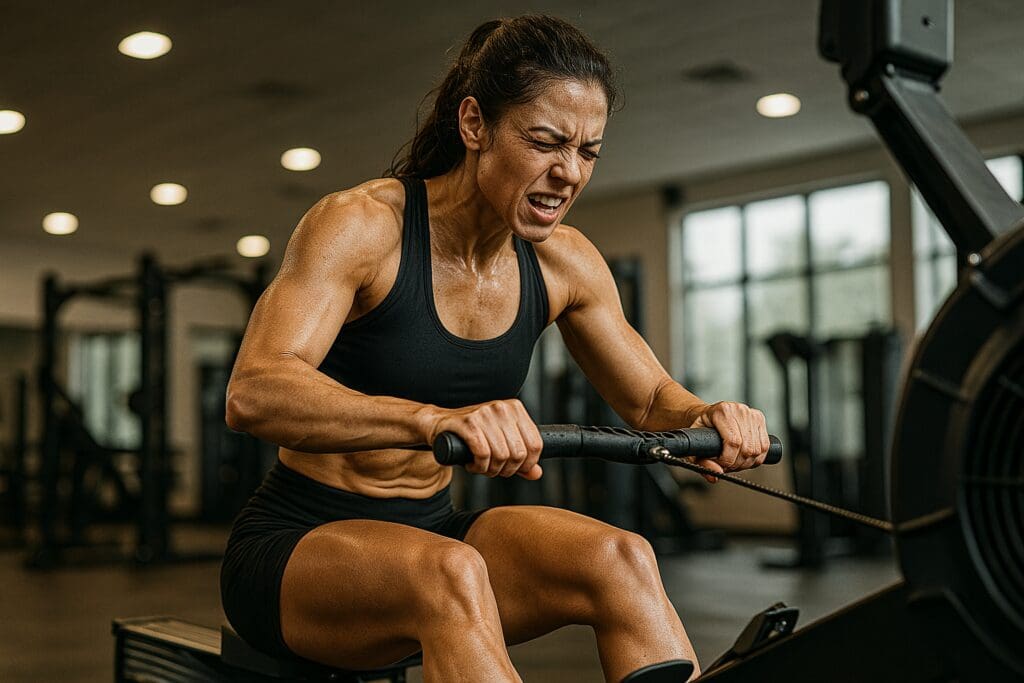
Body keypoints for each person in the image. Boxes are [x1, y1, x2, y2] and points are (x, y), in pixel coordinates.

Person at [221, 14, 770, 683]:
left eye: (588, 151)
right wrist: (430, 419)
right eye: (546, 141)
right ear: (475, 123)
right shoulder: (366, 226)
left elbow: (652, 397)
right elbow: (255, 390)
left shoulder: (563, 263)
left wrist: (706, 417)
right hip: (294, 547)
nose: (568, 172)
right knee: (449, 574)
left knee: (621, 558)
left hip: (433, 530)